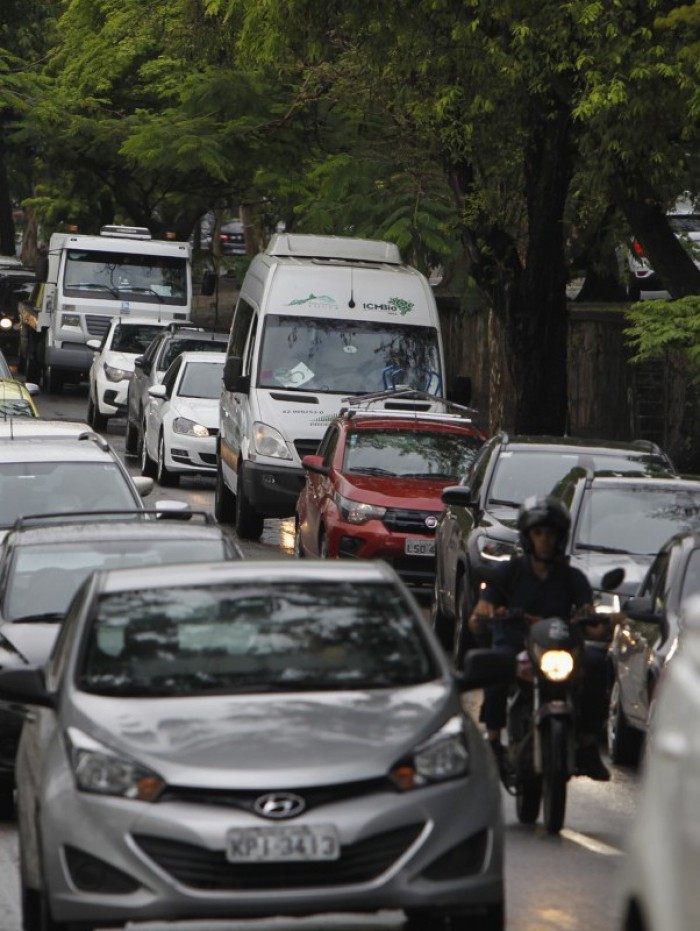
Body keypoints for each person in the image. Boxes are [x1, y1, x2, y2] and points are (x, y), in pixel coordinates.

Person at [469, 494, 611, 782]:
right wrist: (485, 612)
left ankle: (586, 743)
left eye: (551, 533)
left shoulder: (573, 578)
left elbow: (590, 617)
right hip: (516, 643)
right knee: (496, 664)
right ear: (527, 537)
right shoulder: (508, 572)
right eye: (538, 532)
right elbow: (481, 611)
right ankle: (494, 741)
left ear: (560, 538)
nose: (545, 539)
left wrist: (598, 623)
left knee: (599, 663)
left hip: (560, 648)